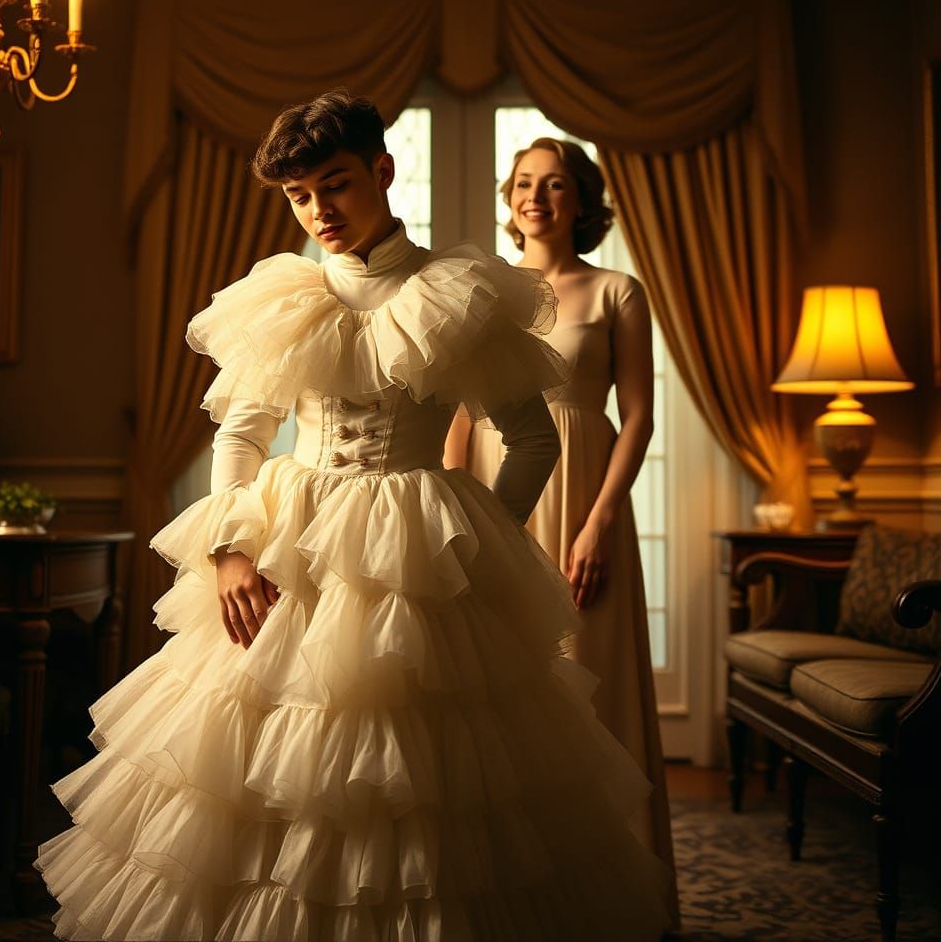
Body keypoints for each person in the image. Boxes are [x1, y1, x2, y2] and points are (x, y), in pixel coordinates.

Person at [36, 94, 674, 940]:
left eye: (333, 186)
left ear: (381, 170)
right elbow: (242, 435)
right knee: (263, 774)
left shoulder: (457, 290)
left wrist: (485, 533)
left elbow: (530, 440)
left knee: (424, 782)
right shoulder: (284, 296)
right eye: (299, 197)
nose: (318, 211)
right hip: (289, 544)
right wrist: (229, 550)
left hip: (417, 549)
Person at [446, 137, 678, 915]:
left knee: (590, 688)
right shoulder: (485, 293)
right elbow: (458, 414)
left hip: (583, 495)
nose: (534, 196)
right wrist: (451, 514)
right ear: (510, 200)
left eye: (552, 184)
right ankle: (509, 899)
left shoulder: (618, 291)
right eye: (522, 183)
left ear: (580, 199)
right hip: (491, 490)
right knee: (495, 688)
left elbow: (639, 417)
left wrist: (599, 526)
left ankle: (611, 901)